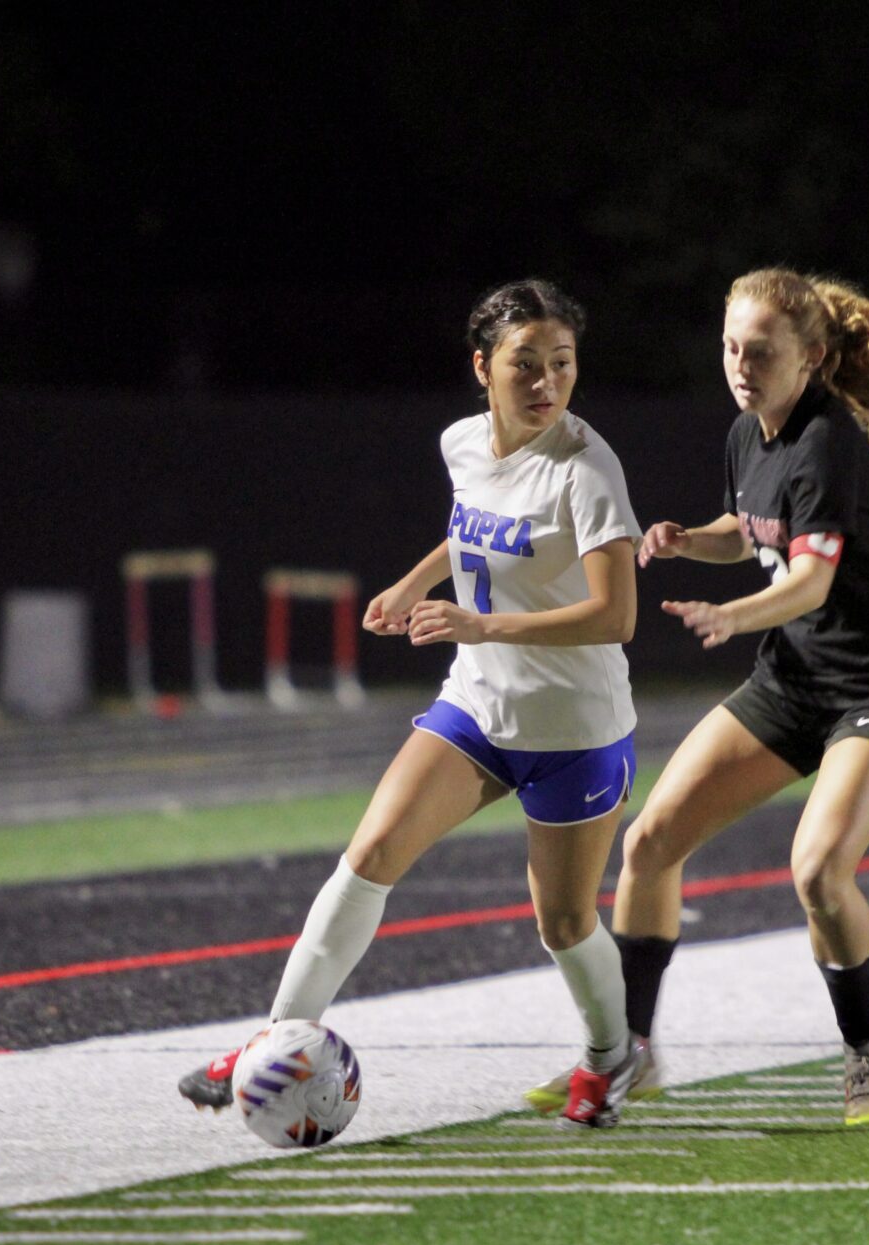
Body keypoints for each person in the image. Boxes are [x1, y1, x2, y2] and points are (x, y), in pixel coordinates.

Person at [178, 280, 648, 1128]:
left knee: (566, 919)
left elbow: (616, 616)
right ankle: (277, 1038)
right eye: (526, 365)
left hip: (574, 728)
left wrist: (478, 619)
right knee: (369, 855)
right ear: (482, 367)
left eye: (563, 365)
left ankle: (614, 1056)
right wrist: (413, 581)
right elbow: (477, 522)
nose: (546, 383)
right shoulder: (464, 442)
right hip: (476, 705)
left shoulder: (588, 468)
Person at [528, 268, 869, 1128]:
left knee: (820, 873)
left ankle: (866, 1056)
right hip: (792, 683)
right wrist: (693, 539)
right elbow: (752, 529)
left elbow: (808, 576)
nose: (741, 364)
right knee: (649, 842)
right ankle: (632, 1052)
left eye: (760, 351)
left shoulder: (829, 439)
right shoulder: (745, 433)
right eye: (731, 346)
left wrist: (734, 614)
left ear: (813, 357)